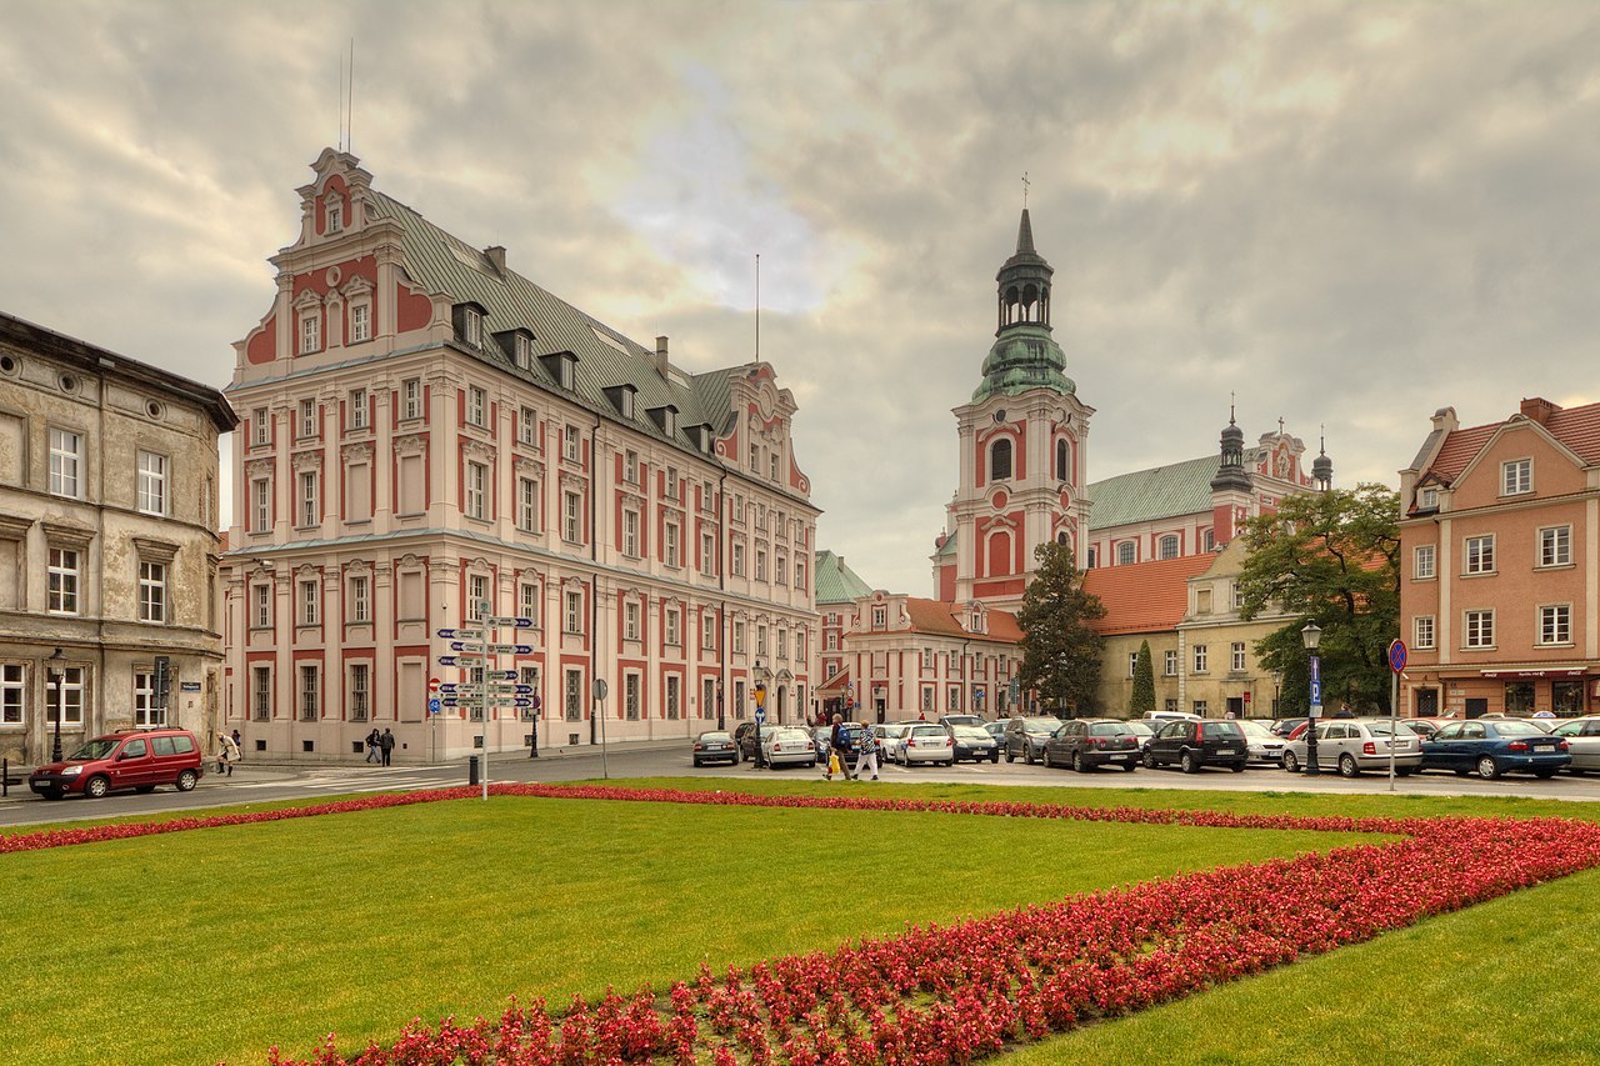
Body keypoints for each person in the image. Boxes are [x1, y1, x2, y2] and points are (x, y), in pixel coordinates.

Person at [826, 713, 854, 781]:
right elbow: (847, 738)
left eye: (833, 719)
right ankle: (828, 776)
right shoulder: (843, 727)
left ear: (836, 720)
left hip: (836, 748)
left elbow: (834, 737)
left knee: (842, 763)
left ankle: (848, 777)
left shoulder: (835, 726)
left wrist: (832, 746)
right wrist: (848, 748)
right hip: (841, 747)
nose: (832, 720)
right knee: (832, 762)